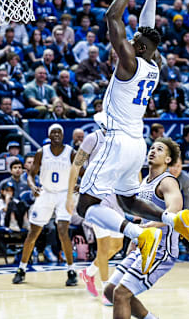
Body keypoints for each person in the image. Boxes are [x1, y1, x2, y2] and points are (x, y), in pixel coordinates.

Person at [73, 0, 189, 279]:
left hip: (116, 139)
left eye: (134, 41)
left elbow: (111, 16)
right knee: (128, 200)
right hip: (136, 142)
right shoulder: (153, 64)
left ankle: (138, 234)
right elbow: (148, 31)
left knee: (84, 206)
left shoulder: (130, 62)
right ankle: (174, 220)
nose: (129, 40)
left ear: (139, 48)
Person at [103, 138, 183, 319]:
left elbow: (174, 210)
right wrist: (135, 239)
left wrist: (148, 227)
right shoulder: (144, 182)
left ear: (168, 160)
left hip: (161, 250)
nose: (153, 151)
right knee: (110, 291)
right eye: (152, 148)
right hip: (143, 245)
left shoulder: (168, 182)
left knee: (121, 294)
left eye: (160, 149)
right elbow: (142, 216)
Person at [12, 124, 78, 286]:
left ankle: (71, 270)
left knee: (63, 230)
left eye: (59, 133)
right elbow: (31, 173)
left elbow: (82, 169)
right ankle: (21, 269)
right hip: (46, 193)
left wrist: (79, 184)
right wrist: (33, 186)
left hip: (64, 194)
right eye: (53, 132)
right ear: (49, 135)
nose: (56, 135)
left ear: (63, 135)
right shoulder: (42, 152)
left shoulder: (71, 152)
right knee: (33, 233)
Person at [69, 129, 124, 305]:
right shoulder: (93, 138)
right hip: (96, 198)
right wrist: (70, 195)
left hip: (116, 197)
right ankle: (107, 291)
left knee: (117, 246)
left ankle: (89, 272)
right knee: (103, 246)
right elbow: (76, 166)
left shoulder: (122, 138)